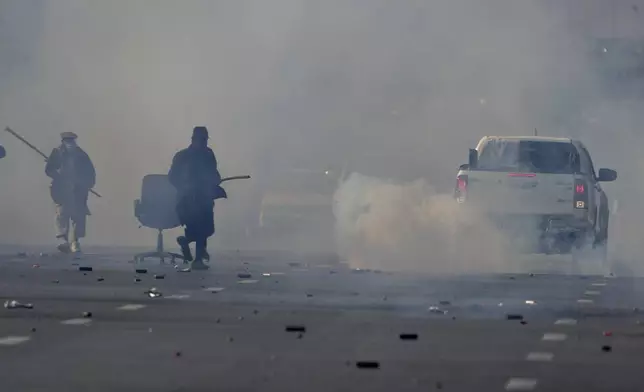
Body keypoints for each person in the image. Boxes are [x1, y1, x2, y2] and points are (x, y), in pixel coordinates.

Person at [168, 126, 224, 270]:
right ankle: (197, 258)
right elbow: (172, 177)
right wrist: (184, 188)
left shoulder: (208, 155)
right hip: (187, 201)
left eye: (205, 140)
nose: (204, 143)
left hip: (201, 198)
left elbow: (213, 173)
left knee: (207, 229)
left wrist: (216, 181)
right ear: (194, 139)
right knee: (202, 229)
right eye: (202, 140)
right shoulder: (182, 157)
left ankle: (187, 242)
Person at [45, 132, 96, 257]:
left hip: (78, 189)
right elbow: (49, 170)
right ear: (63, 141)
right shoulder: (57, 153)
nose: (70, 143)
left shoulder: (81, 155)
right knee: (62, 214)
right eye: (67, 140)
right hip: (61, 189)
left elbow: (90, 172)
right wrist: (58, 175)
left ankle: (75, 242)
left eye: (71, 140)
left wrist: (87, 183)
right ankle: (63, 240)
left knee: (78, 216)